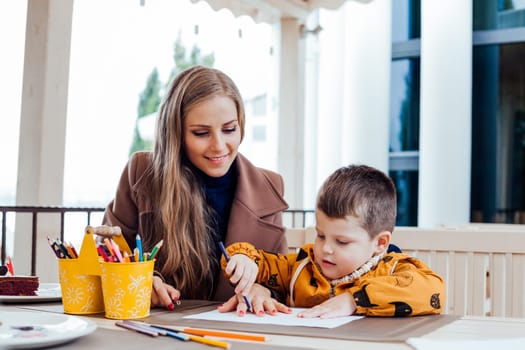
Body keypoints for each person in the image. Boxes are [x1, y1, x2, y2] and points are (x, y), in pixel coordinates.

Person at [102, 65, 290, 315]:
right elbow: (105, 259)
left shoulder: (268, 187)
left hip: (235, 334)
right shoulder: (141, 173)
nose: (219, 146)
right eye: (201, 133)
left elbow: (283, 280)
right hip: (156, 332)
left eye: (230, 129)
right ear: (176, 134)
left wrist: (263, 291)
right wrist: (141, 284)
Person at [221, 164, 445, 318]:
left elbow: (434, 291)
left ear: (380, 243)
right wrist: (243, 258)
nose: (325, 249)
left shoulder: (393, 269)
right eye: (320, 235)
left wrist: (353, 300)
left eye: (342, 242)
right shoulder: (300, 267)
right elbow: (261, 262)